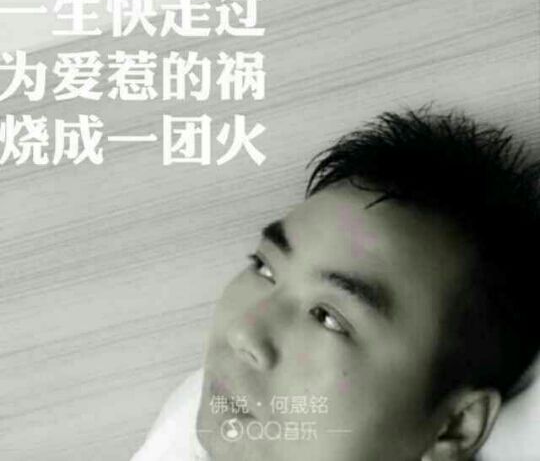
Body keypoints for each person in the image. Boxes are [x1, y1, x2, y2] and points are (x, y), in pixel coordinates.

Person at [131, 106, 540, 461]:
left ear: (455, 426)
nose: (243, 333)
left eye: (327, 318)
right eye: (264, 268)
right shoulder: (192, 419)